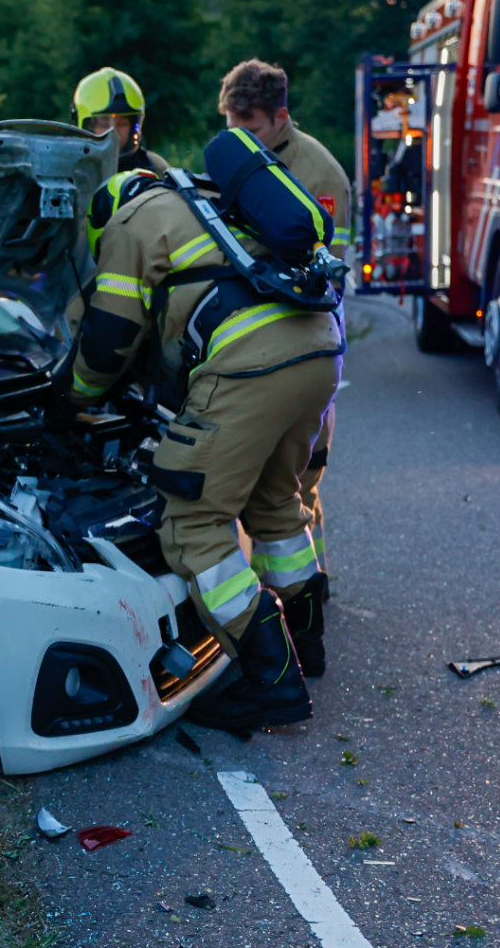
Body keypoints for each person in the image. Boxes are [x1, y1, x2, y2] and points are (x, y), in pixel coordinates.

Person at [61, 161, 343, 730]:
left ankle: (270, 679)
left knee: (192, 523)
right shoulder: (210, 201)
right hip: (318, 347)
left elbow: (111, 336)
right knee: (274, 502)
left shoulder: (127, 221)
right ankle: (307, 647)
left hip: (248, 363)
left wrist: (71, 398)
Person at [216, 59, 350, 677]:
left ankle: (309, 594)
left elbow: (328, 279)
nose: (237, 132)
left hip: (309, 341)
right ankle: (289, 602)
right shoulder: (243, 158)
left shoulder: (319, 174)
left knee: (301, 480)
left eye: (249, 122)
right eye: (229, 121)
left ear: (281, 118)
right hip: (255, 346)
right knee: (271, 485)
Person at [73, 67, 169, 174]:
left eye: (122, 123)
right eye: (104, 123)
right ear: (86, 126)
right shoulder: (67, 168)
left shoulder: (155, 167)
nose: (114, 132)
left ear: (134, 126)